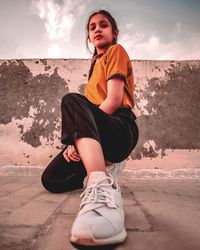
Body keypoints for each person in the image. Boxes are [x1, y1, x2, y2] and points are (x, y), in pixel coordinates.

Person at [41, 9, 139, 247]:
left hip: (119, 127)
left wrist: (80, 136)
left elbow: (114, 101)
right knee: (51, 179)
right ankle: (99, 164)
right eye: (92, 26)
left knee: (71, 100)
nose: (97, 29)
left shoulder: (116, 51)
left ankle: (100, 183)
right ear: (88, 36)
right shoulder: (94, 66)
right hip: (94, 132)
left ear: (114, 32)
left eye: (103, 25)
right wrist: (79, 140)